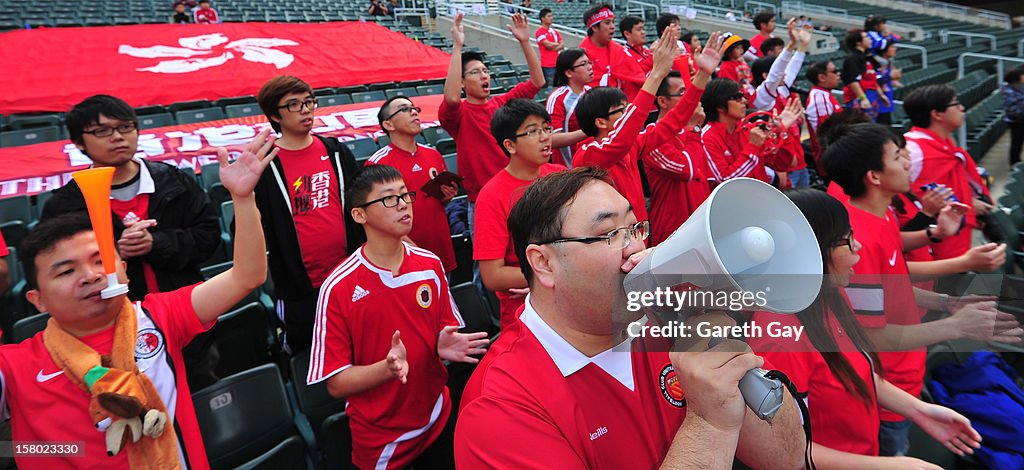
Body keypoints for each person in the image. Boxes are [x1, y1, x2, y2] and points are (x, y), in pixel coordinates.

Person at [454, 166, 807, 468]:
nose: (636, 247)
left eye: (635, 228)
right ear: (544, 263)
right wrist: (709, 423)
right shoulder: (499, 407)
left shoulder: (672, 319)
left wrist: (733, 359)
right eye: (609, 234)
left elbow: (788, 459)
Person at [6, 128, 276, 468]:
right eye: (65, 272)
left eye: (100, 260)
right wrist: (51, 451)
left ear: (123, 268)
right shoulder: (15, 366)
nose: (90, 275)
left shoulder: (160, 317)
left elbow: (247, 275)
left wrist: (243, 198)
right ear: (36, 299)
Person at [822, 122, 1022, 457]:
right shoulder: (857, 241)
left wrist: (948, 302)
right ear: (874, 176)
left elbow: (895, 288)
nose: (907, 162)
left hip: (909, 373)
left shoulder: (882, 218)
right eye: (898, 156)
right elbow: (871, 336)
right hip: (888, 390)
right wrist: (954, 326)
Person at [748, 189, 983, 467]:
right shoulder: (780, 339)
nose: (858, 247)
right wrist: (894, 466)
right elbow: (784, 451)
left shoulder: (830, 297)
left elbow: (856, 371)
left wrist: (920, 410)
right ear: (813, 251)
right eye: (847, 240)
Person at [308, 164, 487, 470]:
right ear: (359, 215)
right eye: (389, 199)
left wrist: (442, 341)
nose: (403, 203)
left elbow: (445, 327)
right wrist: (386, 369)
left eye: (405, 195)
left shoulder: (429, 264)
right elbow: (336, 383)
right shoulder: (338, 287)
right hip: (382, 440)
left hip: (438, 416)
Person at [41, 94, 222, 389]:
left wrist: (157, 243)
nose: (118, 137)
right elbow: (58, 272)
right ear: (79, 143)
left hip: (185, 323)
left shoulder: (173, 182)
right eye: (102, 131)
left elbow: (209, 236)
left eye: (126, 127)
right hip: (111, 336)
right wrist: (112, 255)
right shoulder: (65, 205)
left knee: (200, 395)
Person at [254, 75, 362, 353]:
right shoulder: (264, 165)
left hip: (348, 275)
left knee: (357, 344)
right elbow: (250, 225)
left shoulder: (335, 151)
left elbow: (361, 204)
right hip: (300, 288)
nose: (305, 109)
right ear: (274, 116)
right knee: (307, 353)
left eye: (308, 102)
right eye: (293, 104)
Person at [440, 13, 546, 223]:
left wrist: (525, 41)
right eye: (475, 72)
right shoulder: (459, 114)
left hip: (519, 194)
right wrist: (457, 47)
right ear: (462, 82)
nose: (484, 75)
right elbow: (451, 98)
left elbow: (537, 81)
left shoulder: (502, 104)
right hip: (483, 201)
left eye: (485, 70)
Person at [474, 99, 566, 330]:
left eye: (546, 128)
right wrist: (546, 276)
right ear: (510, 145)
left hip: (571, 300)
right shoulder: (492, 196)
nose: (545, 137)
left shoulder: (560, 177)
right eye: (533, 131)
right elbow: (493, 275)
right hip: (527, 314)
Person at [573, 25, 680, 223]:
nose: (628, 114)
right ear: (600, 122)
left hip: (640, 235)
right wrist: (656, 74)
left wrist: (700, 79)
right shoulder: (588, 156)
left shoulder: (632, 145)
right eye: (622, 110)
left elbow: (670, 125)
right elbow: (619, 141)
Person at [367, 96, 458, 272]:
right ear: (388, 125)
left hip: (441, 249)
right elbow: (378, 220)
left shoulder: (433, 154)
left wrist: (446, 198)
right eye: (404, 109)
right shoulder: (377, 164)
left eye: (414, 108)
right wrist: (413, 249)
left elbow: (434, 202)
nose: (414, 111)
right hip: (405, 256)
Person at [903, 84, 992, 261]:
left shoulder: (944, 144)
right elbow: (900, 196)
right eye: (955, 104)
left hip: (956, 237)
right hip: (930, 244)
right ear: (937, 114)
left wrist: (968, 199)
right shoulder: (912, 150)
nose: (962, 108)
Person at [700, 78, 774, 185]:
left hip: (760, 197)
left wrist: (781, 132)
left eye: (743, 96)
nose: (744, 101)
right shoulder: (707, 138)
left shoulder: (748, 129)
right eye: (737, 98)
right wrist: (752, 147)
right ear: (720, 106)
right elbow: (725, 181)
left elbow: (780, 164)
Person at [578, 4, 648, 99]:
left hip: (618, 106)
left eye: (613, 22)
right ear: (594, 28)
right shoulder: (581, 55)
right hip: (591, 106)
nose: (612, 27)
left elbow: (640, 78)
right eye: (607, 23)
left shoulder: (618, 50)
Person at [546, 48, 592, 167]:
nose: (590, 67)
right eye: (583, 64)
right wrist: (590, 131)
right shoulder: (557, 99)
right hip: (568, 170)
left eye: (589, 62)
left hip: (592, 165)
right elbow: (551, 139)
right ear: (569, 73)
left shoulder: (592, 93)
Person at [804, 60, 843, 170]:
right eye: (834, 71)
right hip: (834, 161)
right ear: (822, 77)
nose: (838, 74)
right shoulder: (820, 99)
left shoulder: (824, 94)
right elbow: (826, 135)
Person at [841, 29, 880, 118]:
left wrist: (880, 95)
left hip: (870, 95)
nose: (870, 39)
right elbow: (852, 81)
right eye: (866, 37)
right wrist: (863, 99)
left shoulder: (866, 56)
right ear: (858, 42)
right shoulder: (852, 58)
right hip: (858, 99)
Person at [619, 15, 653, 99]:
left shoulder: (647, 51)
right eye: (639, 29)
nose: (643, 32)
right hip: (636, 103)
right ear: (627, 34)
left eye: (643, 29)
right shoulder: (624, 54)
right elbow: (643, 81)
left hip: (653, 102)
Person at [717, 33, 755, 99]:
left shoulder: (742, 63)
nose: (741, 50)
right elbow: (728, 86)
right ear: (729, 51)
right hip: (736, 96)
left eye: (742, 48)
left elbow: (750, 79)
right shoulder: (726, 66)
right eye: (737, 48)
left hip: (749, 92)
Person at [536, 8, 564, 87]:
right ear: (543, 18)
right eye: (548, 16)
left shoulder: (554, 31)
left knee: (558, 86)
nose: (551, 18)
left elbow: (562, 44)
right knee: (549, 87)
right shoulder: (540, 32)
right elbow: (547, 44)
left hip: (557, 64)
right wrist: (556, 44)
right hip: (547, 65)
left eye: (551, 16)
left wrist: (553, 46)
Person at [1002, 66, 1024, 166]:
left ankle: (1016, 161)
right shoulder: (1008, 90)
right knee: (1016, 143)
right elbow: (1018, 104)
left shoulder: (1017, 88)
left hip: (1020, 118)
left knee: (1018, 143)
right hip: (1016, 120)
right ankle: (1014, 163)